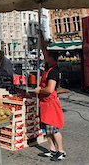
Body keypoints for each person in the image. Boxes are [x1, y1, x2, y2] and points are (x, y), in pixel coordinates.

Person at [35, 30, 66, 161]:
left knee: (54, 129)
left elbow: (49, 89)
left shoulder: (54, 71)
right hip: (45, 104)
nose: (44, 57)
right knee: (47, 129)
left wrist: (39, 90)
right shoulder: (49, 66)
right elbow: (44, 48)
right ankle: (52, 150)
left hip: (50, 103)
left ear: (52, 59)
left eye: (47, 56)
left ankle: (61, 151)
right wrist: (41, 35)